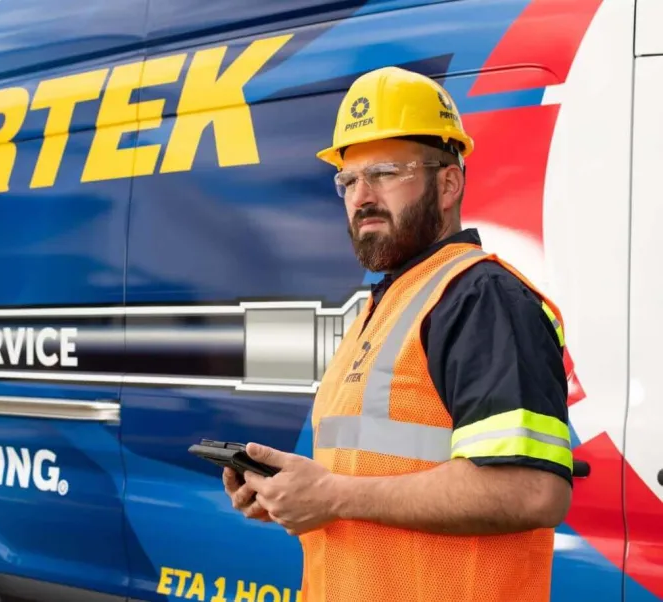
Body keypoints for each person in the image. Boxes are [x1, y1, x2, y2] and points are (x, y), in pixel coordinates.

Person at [222, 66, 573, 602]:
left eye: (385, 172)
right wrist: (294, 495)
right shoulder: (390, 302)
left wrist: (333, 496)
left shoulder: (482, 298)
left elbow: (530, 490)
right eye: (348, 181)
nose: (361, 196)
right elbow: (369, 476)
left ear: (448, 184)